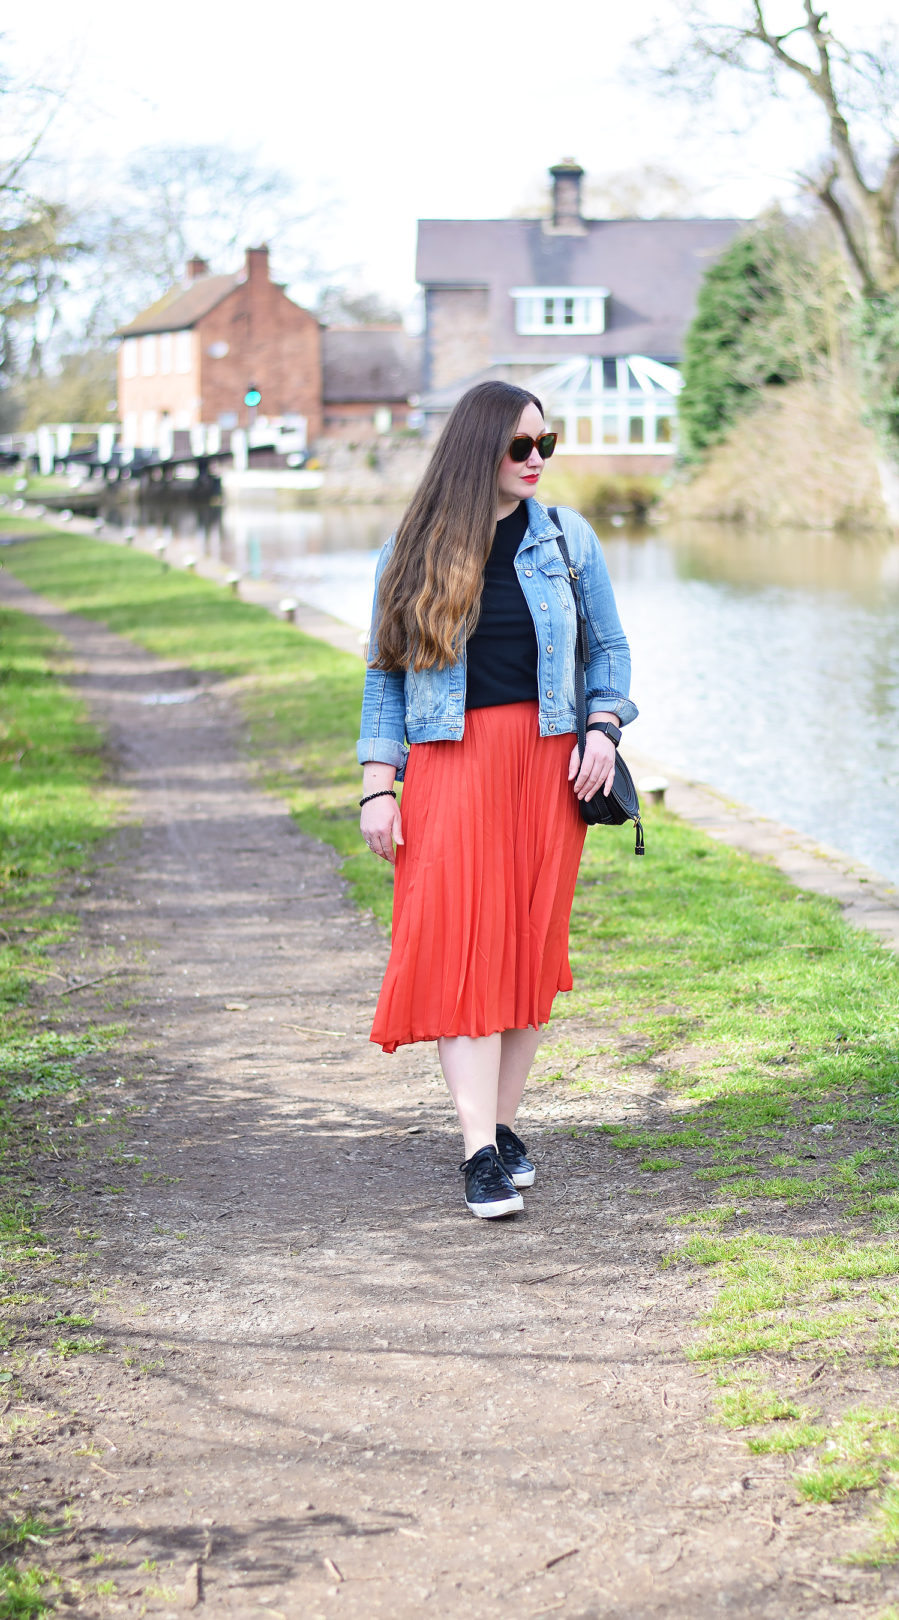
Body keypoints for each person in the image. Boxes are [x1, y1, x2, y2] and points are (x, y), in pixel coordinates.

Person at [357, 380, 636, 1219]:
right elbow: (384, 677)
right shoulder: (408, 550)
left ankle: (505, 1127)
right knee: (463, 948)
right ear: (480, 449)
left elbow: (610, 650)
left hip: (551, 765)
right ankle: (476, 1147)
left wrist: (603, 728)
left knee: (526, 948)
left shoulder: (569, 540)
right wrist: (379, 785)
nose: (537, 461)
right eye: (522, 447)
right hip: (454, 764)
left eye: (546, 445)